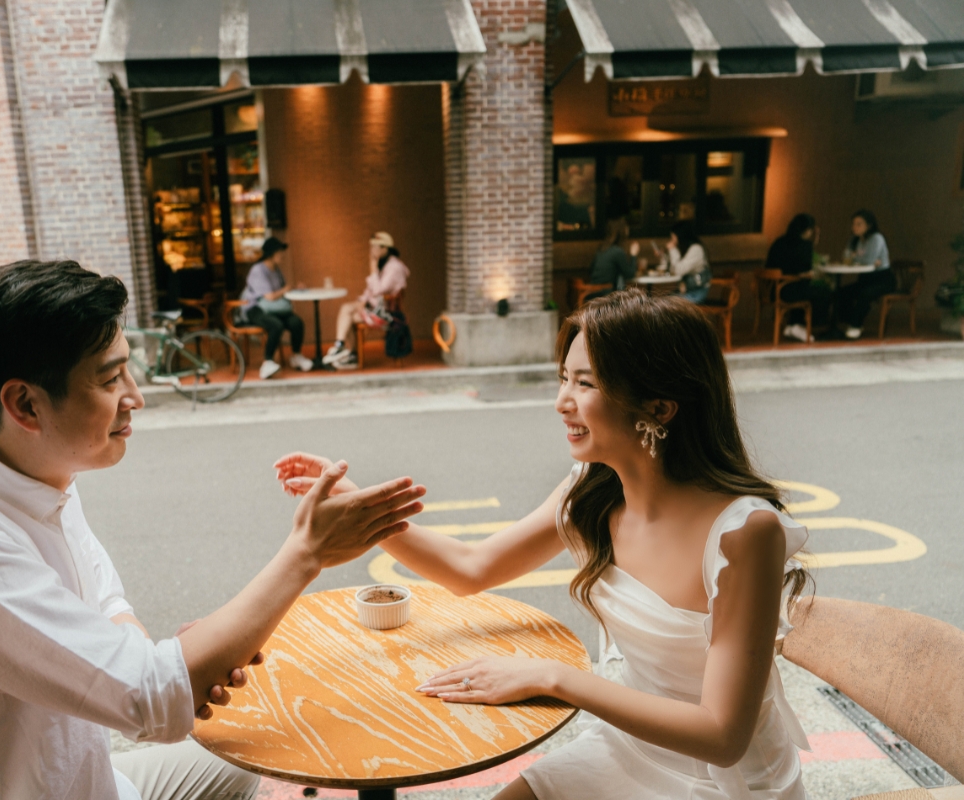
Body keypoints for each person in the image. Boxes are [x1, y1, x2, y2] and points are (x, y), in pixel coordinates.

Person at [0, 260, 425, 800]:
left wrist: (171, 666)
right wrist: (306, 553)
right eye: (109, 379)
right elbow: (153, 702)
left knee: (235, 756)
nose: (137, 397)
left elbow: (104, 596)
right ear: (24, 404)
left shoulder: (31, 468)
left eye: (128, 367)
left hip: (92, 782)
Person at [276, 290, 813, 800]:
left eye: (585, 384)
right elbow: (471, 567)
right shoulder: (591, 491)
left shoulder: (744, 533)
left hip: (724, 782)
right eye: (563, 379)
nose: (562, 402)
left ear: (660, 408)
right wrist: (366, 508)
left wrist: (552, 678)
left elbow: (722, 735)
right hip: (627, 745)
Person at [324, 232, 410, 369]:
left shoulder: (394, 267)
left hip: (386, 314)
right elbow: (370, 291)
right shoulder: (384, 264)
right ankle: (348, 352)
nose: (372, 251)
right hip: (375, 308)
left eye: (375, 247)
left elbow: (377, 290)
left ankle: (342, 348)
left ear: (385, 248)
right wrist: (362, 301)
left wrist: (373, 266)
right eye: (371, 247)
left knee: (347, 310)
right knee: (348, 313)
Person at [241, 236, 313, 379]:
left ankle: (296, 355)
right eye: (280, 251)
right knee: (276, 325)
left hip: (273, 309)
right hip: (255, 309)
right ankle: (267, 362)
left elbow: (281, 291)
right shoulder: (258, 270)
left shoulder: (276, 270)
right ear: (271, 253)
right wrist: (286, 289)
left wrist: (295, 288)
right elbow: (270, 296)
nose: (282, 255)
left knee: (296, 322)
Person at [766, 213, 832, 342]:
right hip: (788, 290)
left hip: (773, 290)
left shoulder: (779, 241)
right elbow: (805, 271)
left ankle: (793, 325)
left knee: (806, 288)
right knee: (824, 292)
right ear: (808, 230)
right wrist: (814, 241)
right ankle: (801, 325)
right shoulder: (804, 245)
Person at [836, 209, 893, 339]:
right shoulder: (854, 240)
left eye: (859, 224)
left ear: (869, 225)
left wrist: (856, 257)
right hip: (866, 278)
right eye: (854, 224)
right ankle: (852, 321)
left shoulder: (876, 238)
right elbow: (846, 257)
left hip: (883, 279)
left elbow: (868, 260)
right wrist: (858, 258)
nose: (855, 227)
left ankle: (855, 325)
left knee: (865, 294)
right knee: (843, 292)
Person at [657, 220, 711, 303]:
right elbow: (672, 269)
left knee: (665, 304)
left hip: (697, 292)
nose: (672, 241)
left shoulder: (696, 249)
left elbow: (678, 271)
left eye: (673, 238)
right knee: (661, 302)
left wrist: (672, 249)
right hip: (687, 290)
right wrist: (664, 256)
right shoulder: (684, 249)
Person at [589, 218, 639, 295]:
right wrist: (633, 255)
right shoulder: (617, 251)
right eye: (626, 229)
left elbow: (591, 270)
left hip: (593, 291)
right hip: (605, 292)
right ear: (622, 232)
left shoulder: (602, 248)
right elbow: (630, 274)